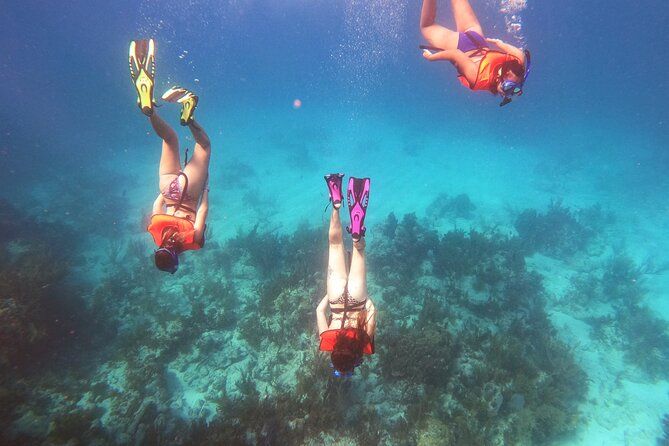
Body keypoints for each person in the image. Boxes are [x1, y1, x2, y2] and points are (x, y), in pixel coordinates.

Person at [129, 39, 211, 274]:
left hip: (188, 195)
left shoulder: (192, 242)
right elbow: (157, 205)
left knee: (204, 147)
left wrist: (205, 190)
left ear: (175, 259)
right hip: (168, 189)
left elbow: (202, 211)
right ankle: (150, 111)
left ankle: (190, 116)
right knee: (169, 139)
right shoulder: (155, 233)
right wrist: (167, 191)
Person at [316, 174, 377, 377]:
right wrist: (330, 295)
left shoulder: (363, 341)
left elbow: (372, 311)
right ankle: (336, 203)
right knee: (334, 245)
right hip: (335, 297)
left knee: (358, 251)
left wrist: (366, 301)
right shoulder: (326, 337)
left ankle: (357, 234)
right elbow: (319, 310)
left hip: (357, 299)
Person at [420, 0, 531, 106]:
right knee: (427, 26)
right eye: (509, 88)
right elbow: (456, 54)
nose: (507, 94)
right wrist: (431, 57)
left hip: (477, 37)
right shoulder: (478, 78)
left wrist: (500, 43)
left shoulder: (518, 62)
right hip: (458, 45)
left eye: (514, 91)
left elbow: (520, 54)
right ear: (503, 76)